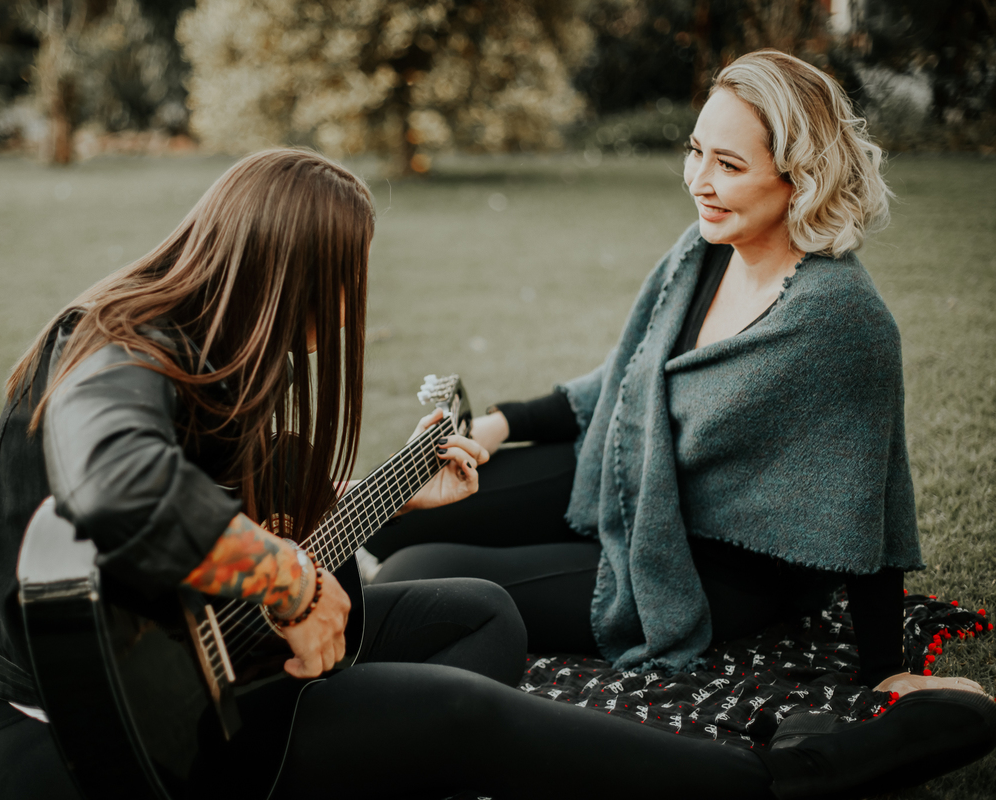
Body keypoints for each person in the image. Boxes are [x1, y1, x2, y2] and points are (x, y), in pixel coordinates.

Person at [0, 146, 992, 800]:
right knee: (466, 715)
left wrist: (382, 496)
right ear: (282, 273)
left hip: (222, 670)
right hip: (109, 740)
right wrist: (289, 583)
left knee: (481, 612)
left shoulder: (214, 358)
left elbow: (220, 525)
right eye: (342, 281)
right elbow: (122, 487)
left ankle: (391, 751)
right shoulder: (117, 351)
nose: (347, 309)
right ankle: (784, 776)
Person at [369, 51, 990, 706]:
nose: (699, 181)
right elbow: (628, 379)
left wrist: (883, 669)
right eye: (696, 151)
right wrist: (502, 422)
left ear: (802, 177)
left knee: (417, 574)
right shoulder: (704, 250)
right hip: (631, 475)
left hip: (704, 569)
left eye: (729, 165)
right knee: (392, 515)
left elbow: (873, 503)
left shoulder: (841, 321)